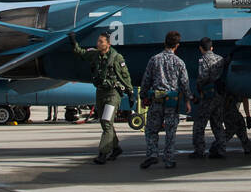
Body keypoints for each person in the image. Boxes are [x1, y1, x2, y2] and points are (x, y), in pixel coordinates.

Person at [70, 31, 131, 164]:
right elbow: (81, 53)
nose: (98, 43)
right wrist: (73, 42)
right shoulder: (95, 55)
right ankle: (116, 148)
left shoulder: (116, 58)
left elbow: (125, 76)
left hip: (112, 94)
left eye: (101, 42)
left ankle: (103, 152)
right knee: (106, 122)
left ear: (108, 44)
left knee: (106, 122)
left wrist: (130, 92)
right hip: (100, 93)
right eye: (98, 41)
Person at [140, 31, 188, 169]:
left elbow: (146, 79)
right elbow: (184, 83)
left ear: (165, 43)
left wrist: (143, 96)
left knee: (151, 130)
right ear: (177, 46)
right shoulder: (179, 62)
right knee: (170, 132)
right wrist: (189, 100)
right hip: (172, 102)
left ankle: (152, 154)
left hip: (156, 100)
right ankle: (169, 159)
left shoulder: (154, 59)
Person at [190, 37, 227, 158]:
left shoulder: (203, 60)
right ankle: (221, 149)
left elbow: (203, 76)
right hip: (220, 94)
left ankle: (199, 151)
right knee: (217, 123)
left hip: (208, 95)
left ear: (201, 48)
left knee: (199, 124)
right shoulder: (220, 59)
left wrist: (199, 88)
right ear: (212, 48)